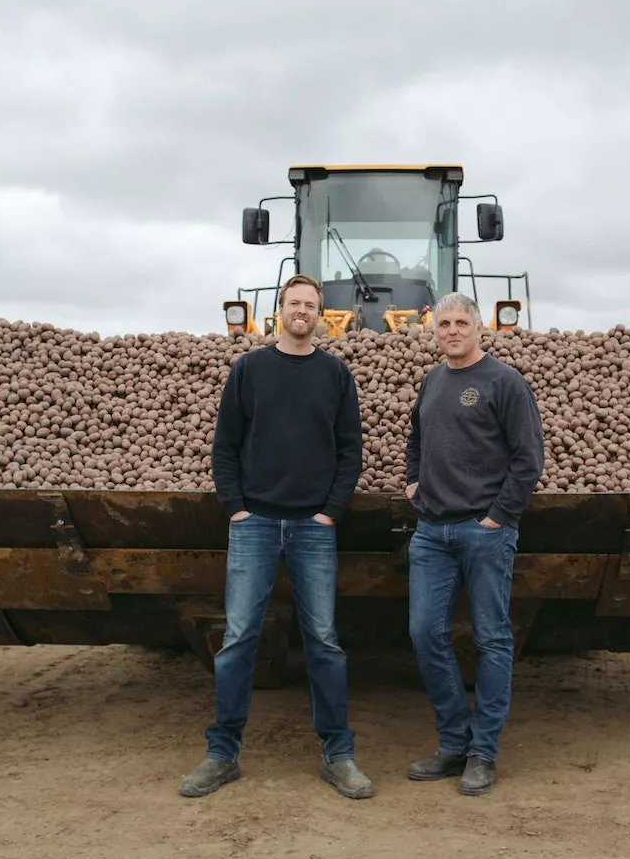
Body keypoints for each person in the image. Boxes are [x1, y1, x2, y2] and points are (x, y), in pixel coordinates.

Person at [180, 274, 373, 799]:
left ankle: (338, 754)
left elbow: (349, 450)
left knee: (325, 642)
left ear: (320, 314)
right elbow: (226, 446)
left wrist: (330, 512)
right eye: (294, 303)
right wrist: (237, 509)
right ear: (279, 310)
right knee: (239, 638)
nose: (302, 311)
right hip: (256, 525)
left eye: (311, 305)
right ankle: (222, 753)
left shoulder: (336, 374)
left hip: (313, 526)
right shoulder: (249, 369)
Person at [403, 292, 544, 796]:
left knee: (491, 639)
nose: (453, 331)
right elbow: (416, 436)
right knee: (424, 633)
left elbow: (528, 457)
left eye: (462, 322)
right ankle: (453, 743)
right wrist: (412, 480)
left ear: (479, 328)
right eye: (445, 324)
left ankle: (483, 752)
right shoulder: (433, 380)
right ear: (434, 330)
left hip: (484, 533)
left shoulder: (505, 382)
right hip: (431, 533)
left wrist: (497, 518)